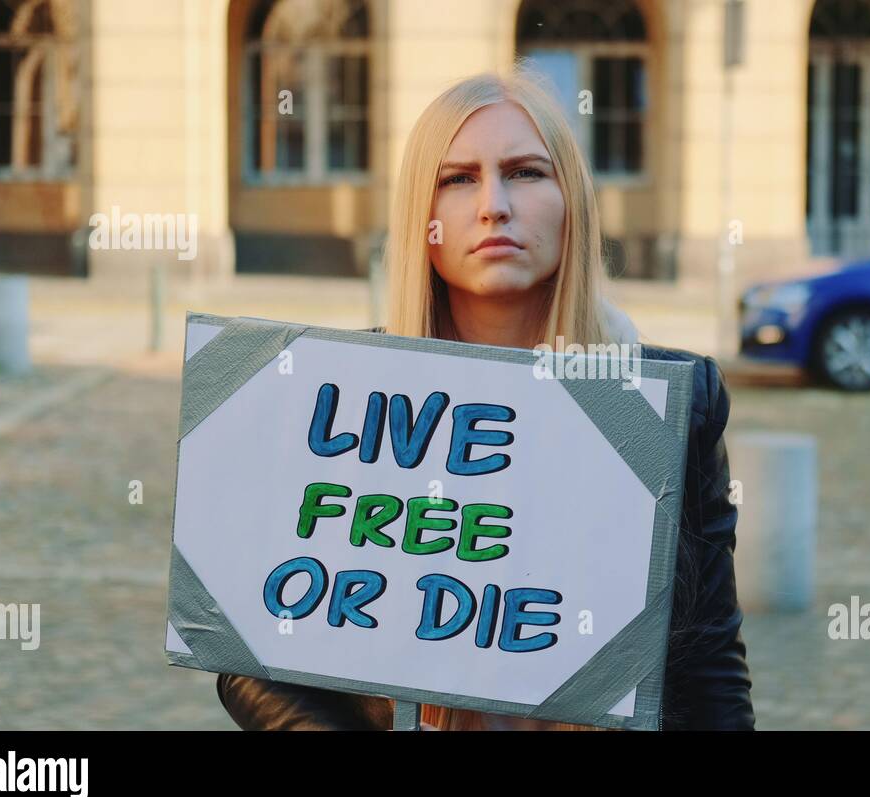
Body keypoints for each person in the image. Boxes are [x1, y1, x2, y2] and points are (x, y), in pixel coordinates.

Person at [217, 64, 754, 731]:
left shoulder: (672, 405)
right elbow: (251, 654)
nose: (493, 203)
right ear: (423, 214)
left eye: (527, 172)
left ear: (573, 203)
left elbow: (709, 665)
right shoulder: (342, 394)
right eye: (458, 178)